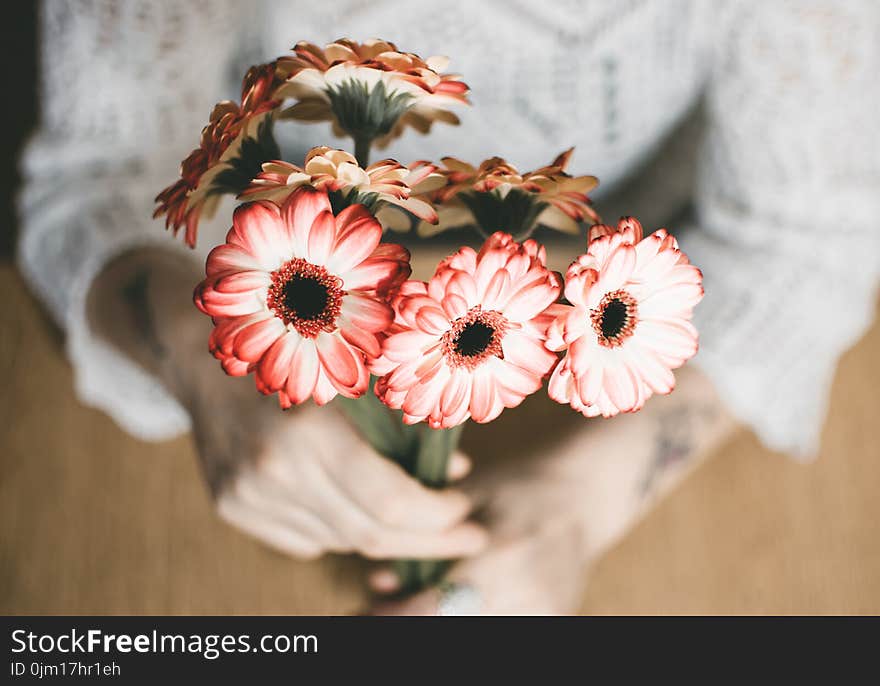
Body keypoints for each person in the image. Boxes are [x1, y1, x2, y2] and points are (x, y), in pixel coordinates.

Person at [18, 0, 880, 614]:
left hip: (615, 281)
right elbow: (102, 180)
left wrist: (580, 500)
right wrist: (210, 369)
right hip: (294, 262)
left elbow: (808, 240)